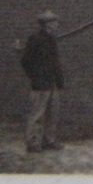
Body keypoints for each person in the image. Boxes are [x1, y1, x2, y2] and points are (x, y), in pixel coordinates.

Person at [21, 10, 64, 153]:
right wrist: (35, 77)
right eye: (54, 22)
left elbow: (55, 62)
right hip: (40, 83)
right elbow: (26, 61)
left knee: (53, 114)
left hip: (52, 82)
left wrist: (58, 80)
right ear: (47, 24)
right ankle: (33, 142)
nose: (57, 25)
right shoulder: (35, 39)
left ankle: (48, 141)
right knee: (37, 114)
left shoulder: (52, 40)